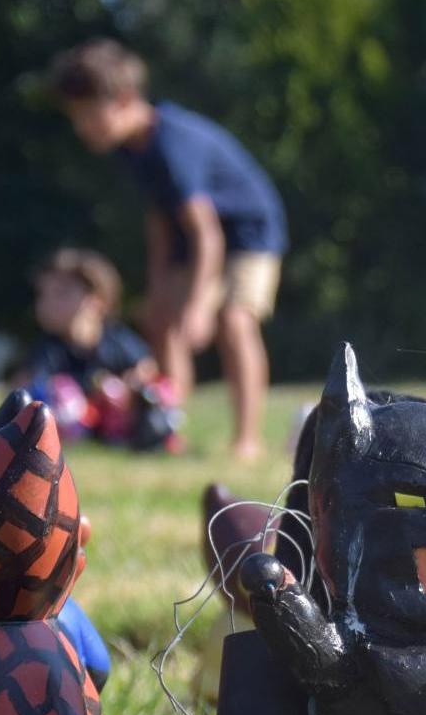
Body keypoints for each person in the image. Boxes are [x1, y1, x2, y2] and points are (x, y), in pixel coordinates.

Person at [48, 39, 287, 461]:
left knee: (234, 322)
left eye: (87, 115)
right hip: (195, 239)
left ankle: (247, 440)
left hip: (248, 232)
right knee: (162, 322)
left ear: (122, 101)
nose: (81, 127)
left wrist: (197, 306)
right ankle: (168, 429)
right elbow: (160, 221)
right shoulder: (130, 149)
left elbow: (206, 233)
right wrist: (160, 291)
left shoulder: (171, 143)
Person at [21, 246, 178, 452]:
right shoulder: (49, 348)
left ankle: (156, 436)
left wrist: (126, 387)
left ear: (96, 301)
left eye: (61, 294)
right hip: (78, 419)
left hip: (119, 413)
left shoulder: (115, 338)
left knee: (154, 390)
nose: (47, 304)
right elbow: (26, 386)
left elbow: (146, 367)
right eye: (43, 295)